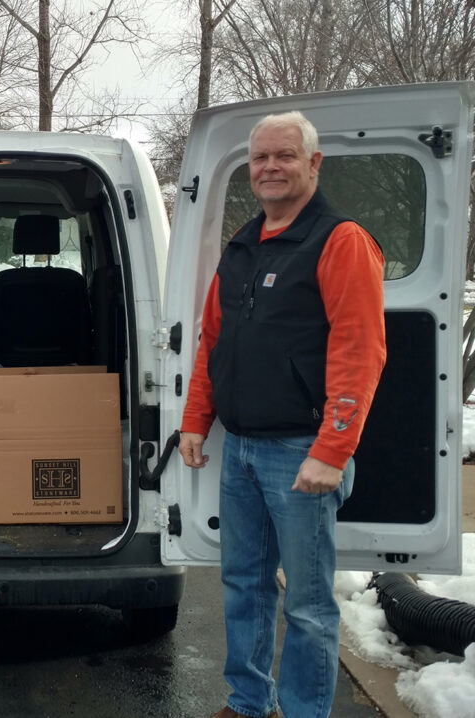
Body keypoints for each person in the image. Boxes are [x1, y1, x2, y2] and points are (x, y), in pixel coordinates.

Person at [178, 112, 386, 718]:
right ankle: (247, 703)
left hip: (300, 453)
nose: (270, 167)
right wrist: (196, 420)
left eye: (285, 156)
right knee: (242, 587)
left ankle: (302, 711)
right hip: (240, 449)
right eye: (261, 157)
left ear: (313, 164)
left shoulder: (340, 241)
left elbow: (360, 352)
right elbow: (212, 342)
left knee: (308, 607)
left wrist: (332, 449)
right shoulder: (243, 245)